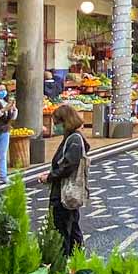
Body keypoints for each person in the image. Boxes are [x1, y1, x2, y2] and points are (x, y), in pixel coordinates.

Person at [45, 103, 88, 251]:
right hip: (64, 191)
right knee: (72, 225)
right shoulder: (72, 138)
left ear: (65, 121)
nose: (55, 126)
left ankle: (69, 259)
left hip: (65, 192)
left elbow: (68, 166)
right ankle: (76, 257)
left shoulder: (74, 140)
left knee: (64, 228)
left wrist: (50, 177)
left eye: (57, 123)